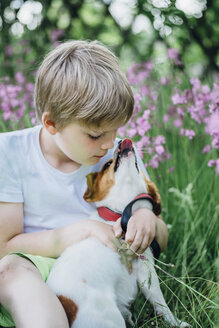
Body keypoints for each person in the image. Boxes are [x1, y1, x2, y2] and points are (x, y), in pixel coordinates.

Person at [0, 40, 168, 328]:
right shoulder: (10, 152)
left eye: (115, 130)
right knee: (9, 271)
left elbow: (160, 236)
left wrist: (143, 217)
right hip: (34, 266)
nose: (108, 144)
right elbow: (4, 246)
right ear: (52, 123)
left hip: (95, 272)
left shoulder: (118, 155)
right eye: (94, 134)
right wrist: (81, 231)